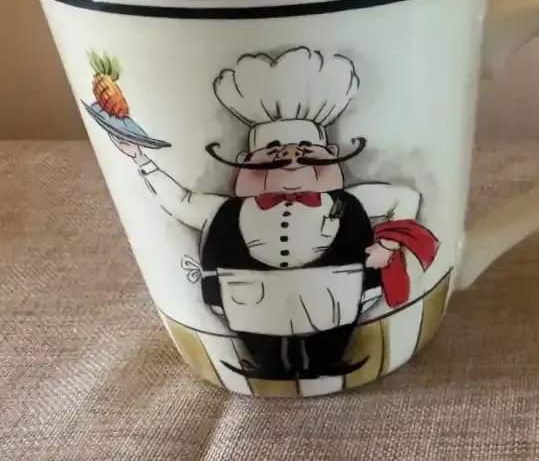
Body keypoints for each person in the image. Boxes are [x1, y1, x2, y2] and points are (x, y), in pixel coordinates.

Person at [111, 47, 437, 380]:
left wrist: (387, 246)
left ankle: (326, 364)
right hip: (250, 294)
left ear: (330, 154)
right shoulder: (225, 210)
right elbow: (180, 201)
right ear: (247, 161)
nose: (292, 159)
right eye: (275, 151)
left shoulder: (350, 202)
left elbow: (405, 198)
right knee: (259, 333)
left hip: (335, 289)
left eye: (305, 150)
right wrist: (140, 158)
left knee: (330, 333)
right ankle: (269, 367)